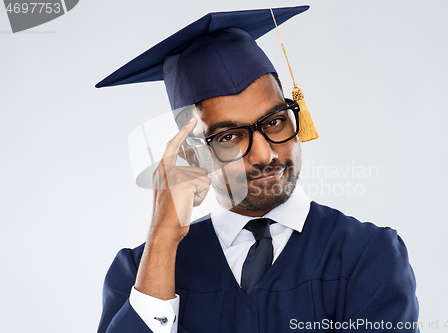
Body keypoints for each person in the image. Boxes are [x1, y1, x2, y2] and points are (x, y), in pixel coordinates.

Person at [96, 6, 419, 333]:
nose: (265, 153)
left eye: (275, 121)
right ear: (192, 154)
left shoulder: (367, 257)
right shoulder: (138, 272)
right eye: (229, 136)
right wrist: (162, 240)